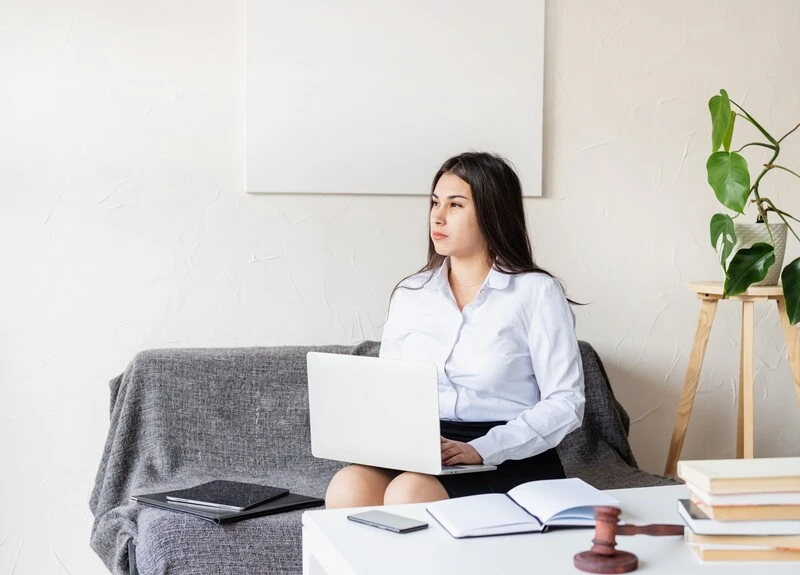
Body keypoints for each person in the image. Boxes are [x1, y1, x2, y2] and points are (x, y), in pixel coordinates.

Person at [325, 151, 585, 508]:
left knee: (409, 492)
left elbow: (567, 402)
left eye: (456, 205)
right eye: (435, 203)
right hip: (425, 446)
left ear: (492, 212)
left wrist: (480, 449)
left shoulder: (537, 292)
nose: (438, 216)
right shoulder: (412, 293)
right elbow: (388, 393)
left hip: (506, 450)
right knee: (348, 486)